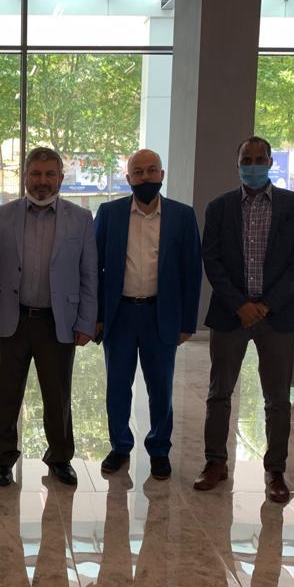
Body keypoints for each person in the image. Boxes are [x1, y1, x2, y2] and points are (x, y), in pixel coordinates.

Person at [196, 136, 294, 502]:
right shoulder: (219, 207)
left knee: (277, 398)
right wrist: (240, 304)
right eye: (247, 159)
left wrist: (266, 304)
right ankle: (215, 462)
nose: (254, 165)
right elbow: (211, 259)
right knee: (219, 393)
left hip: (277, 316)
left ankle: (275, 470)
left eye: (260, 159)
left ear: (271, 162)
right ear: (237, 163)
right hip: (230, 314)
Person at [0, 146, 98, 486]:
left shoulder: (80, 219)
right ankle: (3, 459)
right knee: (5, 395)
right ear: (25, 176)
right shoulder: (3, 215)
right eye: (36, 173)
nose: (42, 181)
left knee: (57, 396)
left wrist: (86, 322)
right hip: (12, 319)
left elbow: (89, 274)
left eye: (49, 174)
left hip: (58, 322)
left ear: (60, 178)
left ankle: (60, 458)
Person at [93, 149, 201, 480]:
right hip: (120, 315)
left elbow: (192, 272)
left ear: (162, 174)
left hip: (160, 315)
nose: (145, 177)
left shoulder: (182, 215)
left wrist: (187, 322)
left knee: (161, 387)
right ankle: (120, 445)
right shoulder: (109, 213)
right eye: (138, 172)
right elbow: (93, 268)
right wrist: (96, 316)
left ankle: (159, 449)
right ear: (128, 178)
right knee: (117, 386)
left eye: (152, 170)